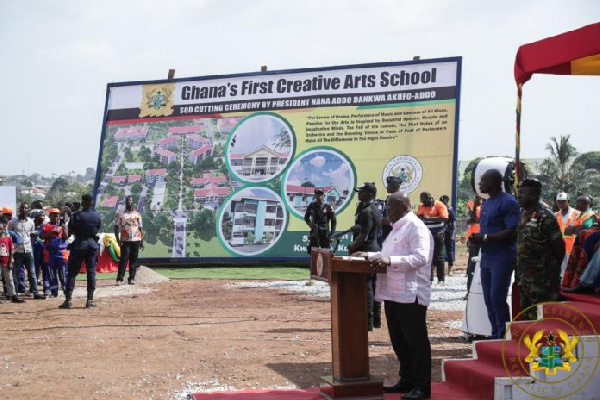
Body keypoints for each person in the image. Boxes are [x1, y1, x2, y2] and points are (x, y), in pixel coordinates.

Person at [355, 192, 433, 399]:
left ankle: (422, 386)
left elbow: (421, 257)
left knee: (415, 342)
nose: (387, 211)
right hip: (393, 292)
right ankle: (407, 380)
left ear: (404, 206)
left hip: (411, 293)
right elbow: (387, 255)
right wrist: (369, 255)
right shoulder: (396, 228)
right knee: (399, 341)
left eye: (390, 208)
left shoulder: (416, 227)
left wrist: (389, 261)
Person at [468, 169, 520, 339]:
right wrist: (477, 239)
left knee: (497, 297)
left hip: (503, 256)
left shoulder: (508, 202)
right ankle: (495, 333)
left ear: (494, 182)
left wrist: (485, 237)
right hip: (487, 257)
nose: (480, 184)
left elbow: (512, 231)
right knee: (489, 300)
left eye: (483, 181)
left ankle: (504, 336)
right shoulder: (487, 203)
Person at [516, 179, 565, 320]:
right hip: (525, 278)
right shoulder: (524, 214)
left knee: (545, 320)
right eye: (518, 192)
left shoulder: (545, 217)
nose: (519, 196)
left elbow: (559, 247)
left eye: (523, 192)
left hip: (543, 281)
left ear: (534, 195)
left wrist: (552, 270)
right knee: (528, 319)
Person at [349, 182, 381, 331]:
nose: (358, 194)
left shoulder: (367, 211)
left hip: (367, 250)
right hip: (372, 249)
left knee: (367, 286)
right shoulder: (372, 208)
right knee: (373, 285)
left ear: (369, 194)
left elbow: (363, 236)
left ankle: (368, 322)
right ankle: (376, 321)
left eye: (361, 192)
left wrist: (352, 246)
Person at [61, 194, 101, 309]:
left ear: (83, 203)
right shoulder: (97, 216)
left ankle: (68, 300)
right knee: (91, 271)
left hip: (79, 244)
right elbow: (97, 229)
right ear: (92, 202)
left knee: (73, 272)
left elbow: (69, 233)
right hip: (92, 245)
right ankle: (90, 300)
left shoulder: (76, 216)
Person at [7, 203, 46, 300]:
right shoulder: (13, 222)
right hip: (17, 251)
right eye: (22, 208)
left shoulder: (30, 222)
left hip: (28, 249)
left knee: (32, 272)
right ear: (19, 209)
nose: (24, 210)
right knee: (15, 273)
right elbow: (9, 235)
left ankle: (35, 292)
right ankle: (14, 293)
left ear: (28, 210)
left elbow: (31, 234)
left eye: (26, 208)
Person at [416, 192, 448, 285]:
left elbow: (444, 218)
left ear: (430, 198)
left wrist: (429, 218)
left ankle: (441, 279)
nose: (423, 204)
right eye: (422, 202)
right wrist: (420, 217)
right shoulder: (422, 206)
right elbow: (419, 217)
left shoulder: (439, 205)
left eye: (425, 201)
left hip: (437, 233)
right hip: (425, 234)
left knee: (438, 256)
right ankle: (429, 278)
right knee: (427, 256)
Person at [114, 195, 145, 285]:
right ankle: (119, 279)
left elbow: (141, 228)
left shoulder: (137, 214)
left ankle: (131, 278)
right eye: (127, 200)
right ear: (125, 202)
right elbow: (116, 228)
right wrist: (117, 240)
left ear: (133, 202)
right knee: (123, 259)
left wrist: (142, 241)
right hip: (125, 240)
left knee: (133, 259)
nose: (129, 202)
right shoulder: (121, 214)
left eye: (130, 200)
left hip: (136, 239)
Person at [40, 208, 69, 297]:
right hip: (50, 253)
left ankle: (66, 291)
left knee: (63, 273)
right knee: (52, 274)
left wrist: (63, 229)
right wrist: (52, 231)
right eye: (54, 216)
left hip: (61, 253)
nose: (56, 218)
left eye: (57, 216)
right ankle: (54, 292)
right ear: (50, 216)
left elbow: (66, 237)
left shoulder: (63, 226)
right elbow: (42, 236)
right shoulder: (46, 226)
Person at [304, 188, 336, 254]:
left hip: (325, 232)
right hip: (314, 232)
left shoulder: (328, 207)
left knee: (326, 253)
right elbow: (306, 217)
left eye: (321, 194)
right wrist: (309, 223)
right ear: (315, 195)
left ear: (324, 195)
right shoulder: (311, 205)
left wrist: (332, 234)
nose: (319, 196)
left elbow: (334, 221)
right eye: (317, 194)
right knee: (313, 253)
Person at [0, 222, 26, 303]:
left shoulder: (8, 238)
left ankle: (13, 295)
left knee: (9, 278)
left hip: (6, 260)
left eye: (1, 228)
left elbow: (11, 251)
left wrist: (10, 261)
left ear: (4, 228)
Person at [554, 192, 579, 275]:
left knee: (573, 269)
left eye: (563, 201)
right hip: (559, 246)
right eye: (559, 201)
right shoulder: (556, 215)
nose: (561, 203)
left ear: (569, 201)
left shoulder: (577, 213)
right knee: (562, 270)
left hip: (573, 246)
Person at [377, 176, 402, 247]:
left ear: (395, 186)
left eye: (389, 185)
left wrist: (389, 222)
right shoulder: (390, 198)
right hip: (386, 233)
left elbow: (403, 218)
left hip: (395, 234)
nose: (387, 187)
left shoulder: (400, 199)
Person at [466, 195, 482, 295]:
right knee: (472, 266)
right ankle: (469, 292)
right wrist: (475, 205)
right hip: (474, 239)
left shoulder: (491, 205)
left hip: (487, 238)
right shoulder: (474, 206)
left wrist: (477, 220)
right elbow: (471, 220)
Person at [439, 195, 456, 276]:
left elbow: (453, 224)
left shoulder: (450, 210)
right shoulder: (439, 209)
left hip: (448, 232)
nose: (441, 202)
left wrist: (452, 235)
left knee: (449, 251)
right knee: (438, 251)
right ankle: (437, 270)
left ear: (446, 201)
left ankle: (450, 270)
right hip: (439, 232)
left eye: (443, 201)